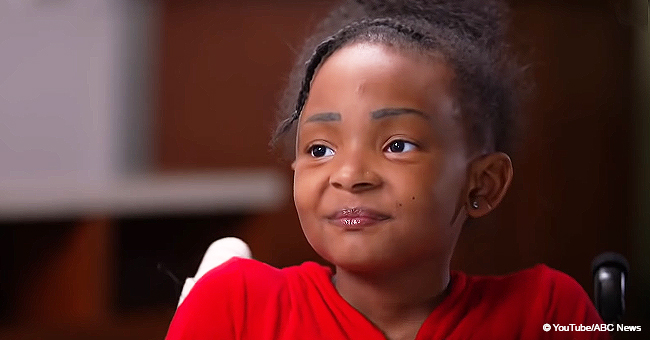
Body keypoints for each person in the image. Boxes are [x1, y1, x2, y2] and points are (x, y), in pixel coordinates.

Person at [165, 1, 609, 339]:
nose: (350, 174)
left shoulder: (548, 311)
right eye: (320, 149)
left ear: (484, 183)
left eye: (397, 145)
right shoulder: (236, 304)